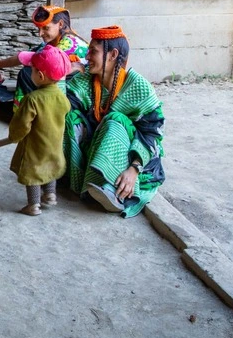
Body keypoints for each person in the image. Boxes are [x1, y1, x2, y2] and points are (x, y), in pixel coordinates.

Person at [63, 25, 165, 218]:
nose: (87, 57)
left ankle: (112, 192)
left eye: (93, 52)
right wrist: (63, 72)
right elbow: (61, 105)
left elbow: (153, 134)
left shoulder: (139, 87)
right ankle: (81, 182)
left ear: (112, 55)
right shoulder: (86, 80)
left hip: (132, 157)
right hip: (95, 147)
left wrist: (134, 169)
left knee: (114, 119)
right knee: (70, 119)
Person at [0, 5, 87, 110]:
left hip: (73, 96)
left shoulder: (69, 44)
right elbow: (26, 55)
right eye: (39, 29)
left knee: (26, 73)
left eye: (46, 28)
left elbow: (26, 58)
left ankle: (25, 113)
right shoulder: (55, 41)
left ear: (60, 24)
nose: (40, 33)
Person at [8, 45, 71, 216]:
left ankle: (33, 205)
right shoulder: (63, 98)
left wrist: (14, 136)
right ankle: (50, 195)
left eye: (32, 70)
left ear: (40, 76)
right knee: (50, 166)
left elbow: (22, 123)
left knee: (33, 172)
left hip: (35, 145)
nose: (30, 73)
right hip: (54, 144)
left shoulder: (32, 99)